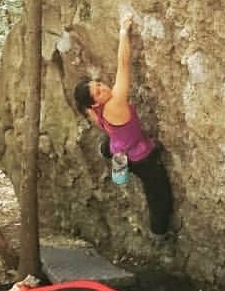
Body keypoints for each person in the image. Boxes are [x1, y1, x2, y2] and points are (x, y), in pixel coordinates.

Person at [72, 14, 174, 243]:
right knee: (159, 194)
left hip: (119, 149)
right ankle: (159, 234)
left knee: (111, 143)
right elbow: (123, 65)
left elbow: (88, 109)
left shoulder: (93, 110)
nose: (103, 87)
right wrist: (122, 32)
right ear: (96, 103)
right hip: (140, 158)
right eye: (98, 92)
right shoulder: (115, 104)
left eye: (98, 84)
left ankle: (106, 154)